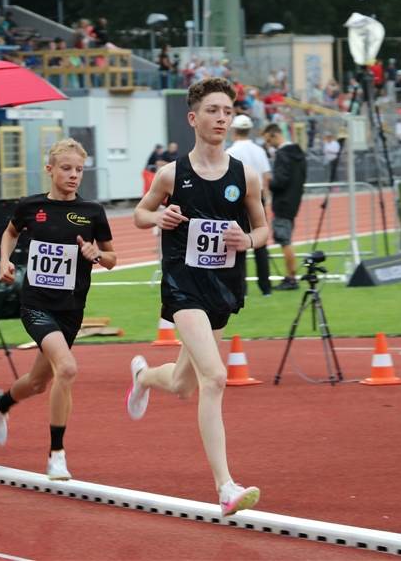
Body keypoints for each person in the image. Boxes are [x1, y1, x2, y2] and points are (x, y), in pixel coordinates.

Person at [126, 78, 268, 516]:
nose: (221, 118)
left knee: (184, 385)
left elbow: (264, 230)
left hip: (222, 288)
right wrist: (160, 216)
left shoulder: (246, 175)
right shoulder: (172, 173)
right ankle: (225, 486)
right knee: (216, 378)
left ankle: (146, 377)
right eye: (212, 110)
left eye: (227, 110)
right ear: (194, 118)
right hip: (182, 287)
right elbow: (138, 214)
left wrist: (247, 239)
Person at [0, 139, 116, 480]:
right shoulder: (30, 207)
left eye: (79, 170)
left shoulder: (92, 212)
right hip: (36, 305)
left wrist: (96, 255)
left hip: (71, 309)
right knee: (68, 369)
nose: (74, 175)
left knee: (38, 382)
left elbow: (113, 259)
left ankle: (2, 403)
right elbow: (10, 232)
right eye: (66, 168)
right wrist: (5, 260)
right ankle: (56, 454)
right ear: (50, 169)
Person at [226, 115, 272, 296]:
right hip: (258, 197)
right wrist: (266, 199)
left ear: (234, 130)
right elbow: (267, 177)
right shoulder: (259, 150)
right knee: (260, 243)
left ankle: (241, 288)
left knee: (239, 243)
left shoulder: (231, 151)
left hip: (239, 201)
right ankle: (265, 287)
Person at [262, 123, 306, 290]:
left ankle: (291, 278)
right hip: (294, 201)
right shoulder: (298, 153)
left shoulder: (282, 154)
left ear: (274, 135)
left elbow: (280, 181)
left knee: (284, 240)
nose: (268, 144)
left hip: (282, 203)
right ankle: (291, 276)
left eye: (268, 140)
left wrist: (269, 182)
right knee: (286, 239)